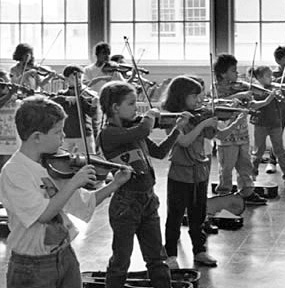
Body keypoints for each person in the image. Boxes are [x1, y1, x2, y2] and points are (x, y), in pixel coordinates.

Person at [0, 96, 131, 288]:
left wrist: (114, 185)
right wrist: (74, 182)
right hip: (32, 264)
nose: (63, 137)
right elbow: (43, 215)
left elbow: (84, 203)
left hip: (64, 254)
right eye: (57, 132)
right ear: (36, 137)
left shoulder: (54, 166)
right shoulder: (15, 171)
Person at [97, 81, 189, 287]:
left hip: (148, 199)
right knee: (121, 260)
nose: (136, 108)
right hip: (125, 204)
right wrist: (149, 117)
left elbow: (159, 152)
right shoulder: (109, 133)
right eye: (131, 104)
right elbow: (142, 131)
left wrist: (176, 130)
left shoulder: (134, 128)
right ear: (115, 108)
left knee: (157, 257)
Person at [162, 76, 218, 269]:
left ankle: (199, 250)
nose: (198, 100)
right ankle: (170, 255)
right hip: (179, 175)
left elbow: (211, 135)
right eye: (194, 96)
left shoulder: (198, 115)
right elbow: (184, 141)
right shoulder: (172, 118)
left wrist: (212, 123)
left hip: (199, 173)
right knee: (175, 217)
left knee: (198, 215)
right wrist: (203, 124)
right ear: (181, 96)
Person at [212, 54, 276, 205]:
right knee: (226, 167)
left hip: (242, 134)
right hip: (226, 135)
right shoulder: (216, 88)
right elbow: (217, 103)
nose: (237, 74)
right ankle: (224, 194)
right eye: (233, 71)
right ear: (222, 73)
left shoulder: (241, 86)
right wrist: (239, 94)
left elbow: (251, 105)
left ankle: (247, 192)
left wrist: (266, 100)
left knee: (245, 165)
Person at [250, 66, 285, 185]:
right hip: (260, 124)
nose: (271, 78)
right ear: (259, 78)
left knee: (279, 150)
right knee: (258, 151)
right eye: (268, 76)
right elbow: (255, 105)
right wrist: (269, 96)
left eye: (271, 75)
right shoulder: (255, 91)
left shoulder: (274, 89)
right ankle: (252, 174)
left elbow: (283, 104)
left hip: (275, 124)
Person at [51, 65, 99, 154]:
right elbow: (50, 103)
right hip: (66, 135)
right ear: (66, 79)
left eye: (80, 77)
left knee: (89, 160)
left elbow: (92, 114)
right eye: (74, 78)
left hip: (84, 135)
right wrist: (66, 99)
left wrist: (94, 106)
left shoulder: (85, 94)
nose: (78, 80)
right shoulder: (62, 94)